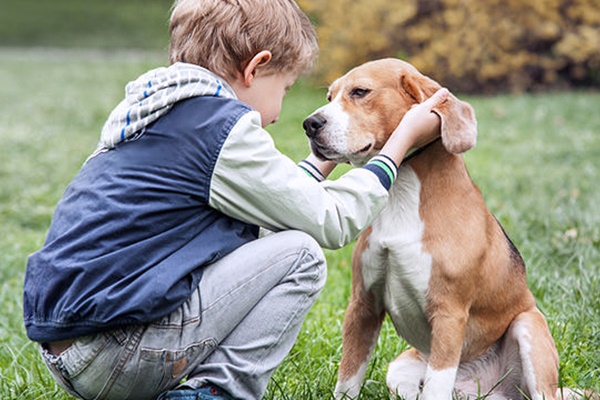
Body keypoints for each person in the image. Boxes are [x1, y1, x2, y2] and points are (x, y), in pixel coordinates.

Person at [22, 0, 447, 399]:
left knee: (261, 238)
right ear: (255, 69)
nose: (281, 109)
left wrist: (326, 156)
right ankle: (214, 393)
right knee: (301, 255)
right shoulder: (220, 128)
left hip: (68, 351)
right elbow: (331, 220)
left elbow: (276, 206)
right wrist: (400, 143)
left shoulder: (155, 112)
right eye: (285, 87)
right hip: (121, 354)